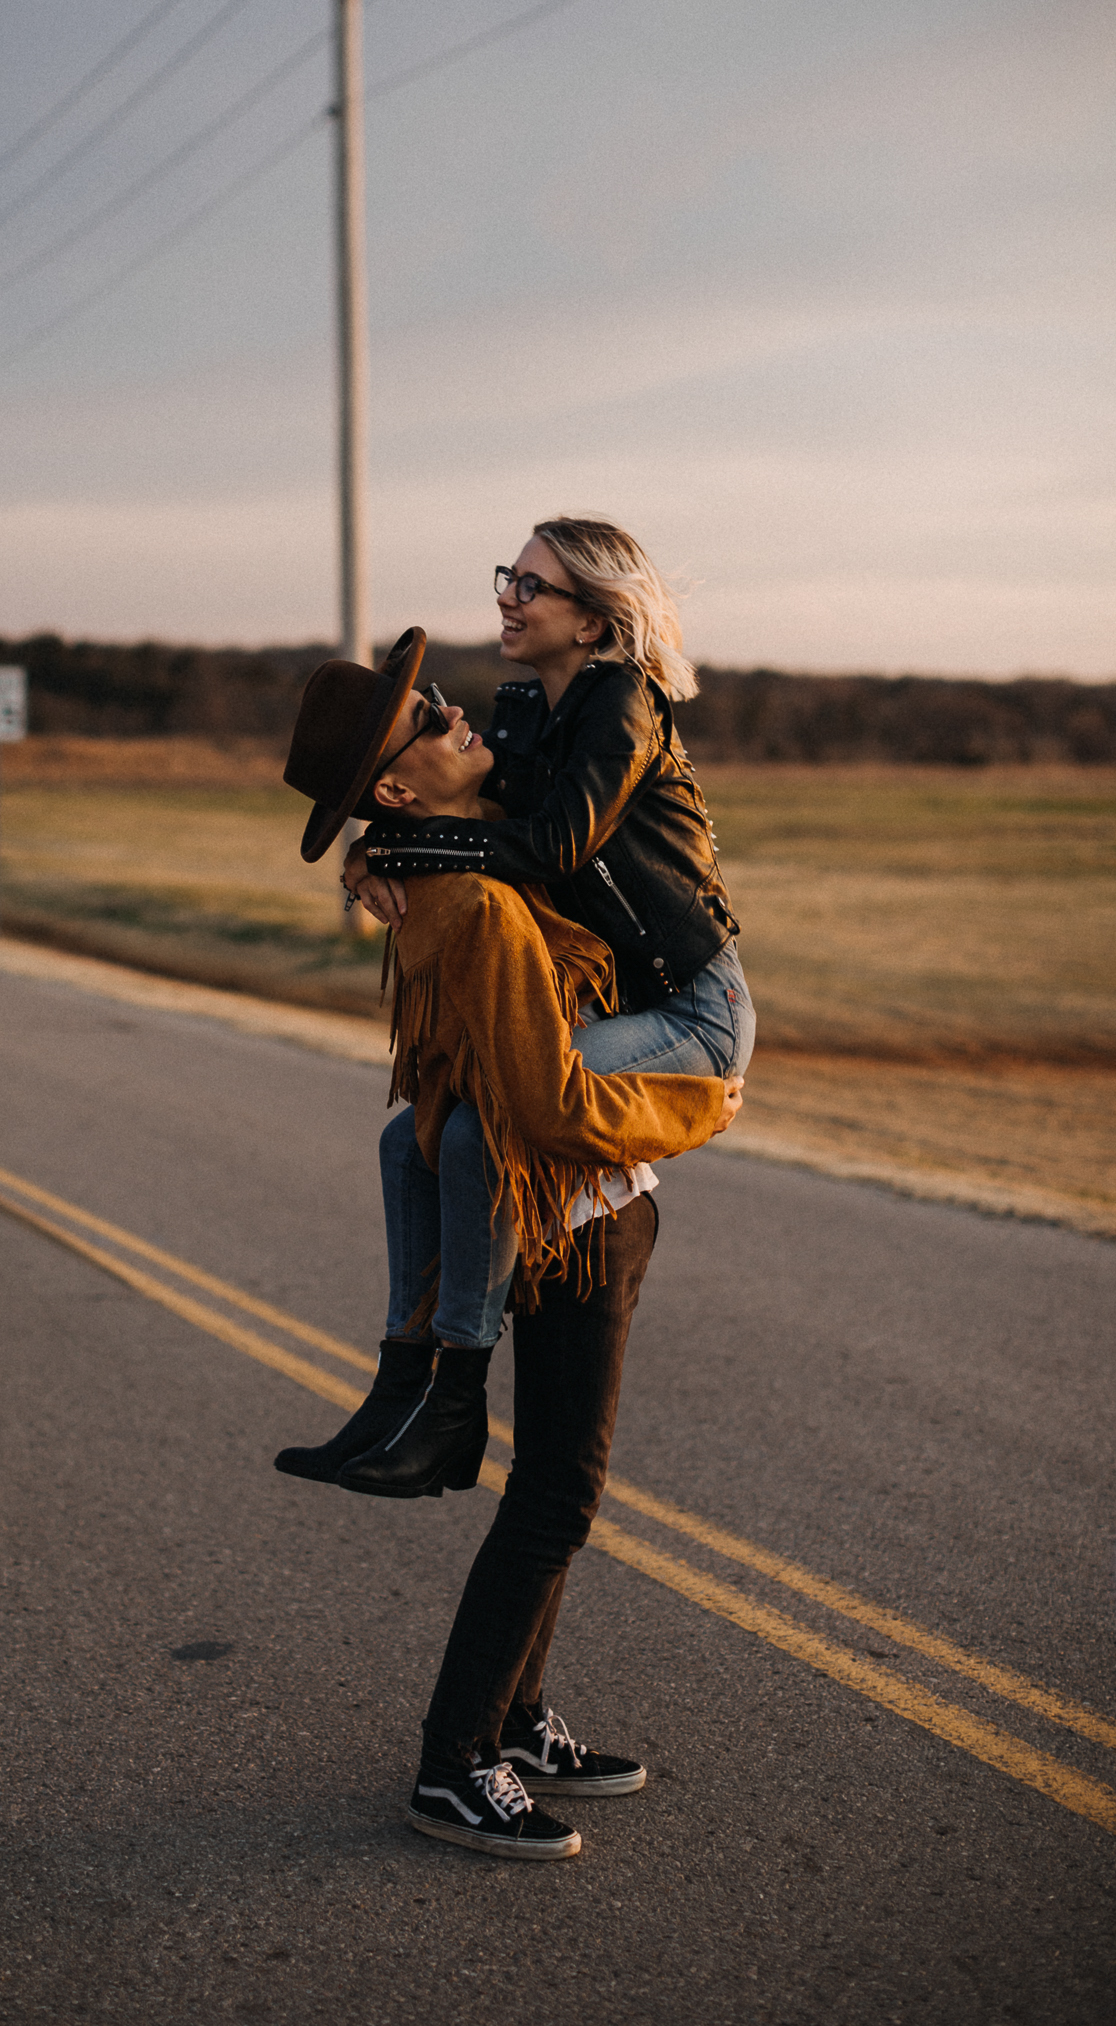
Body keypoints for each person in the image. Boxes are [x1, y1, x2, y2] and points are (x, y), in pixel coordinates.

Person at [276, 630, 743, 1859]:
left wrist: (368, 857)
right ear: (395, 784)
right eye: (426, 720)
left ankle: (520, 1720)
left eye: (435, 697)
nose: (453, 711)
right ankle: (457, 1760)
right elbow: (541, 1105)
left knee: (550, 1490)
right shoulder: (480, 894)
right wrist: (707, 1100)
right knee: (555, 1498)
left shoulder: (452, 856)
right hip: (572, 1216)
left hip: (546, 1209)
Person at [335, 516, 755, 1383]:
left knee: (485, 1131)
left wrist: (399, 849)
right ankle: (404, 1377)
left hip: (692, 1008)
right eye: (509, 577)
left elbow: (556, 844)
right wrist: (367, 849)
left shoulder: (621, 701)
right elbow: (475, 818)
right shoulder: (529, 711)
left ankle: (455, 1383)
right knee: (412, 1139)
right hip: (620, 1004)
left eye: (531, 585)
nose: (506, 597)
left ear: (593, 621)